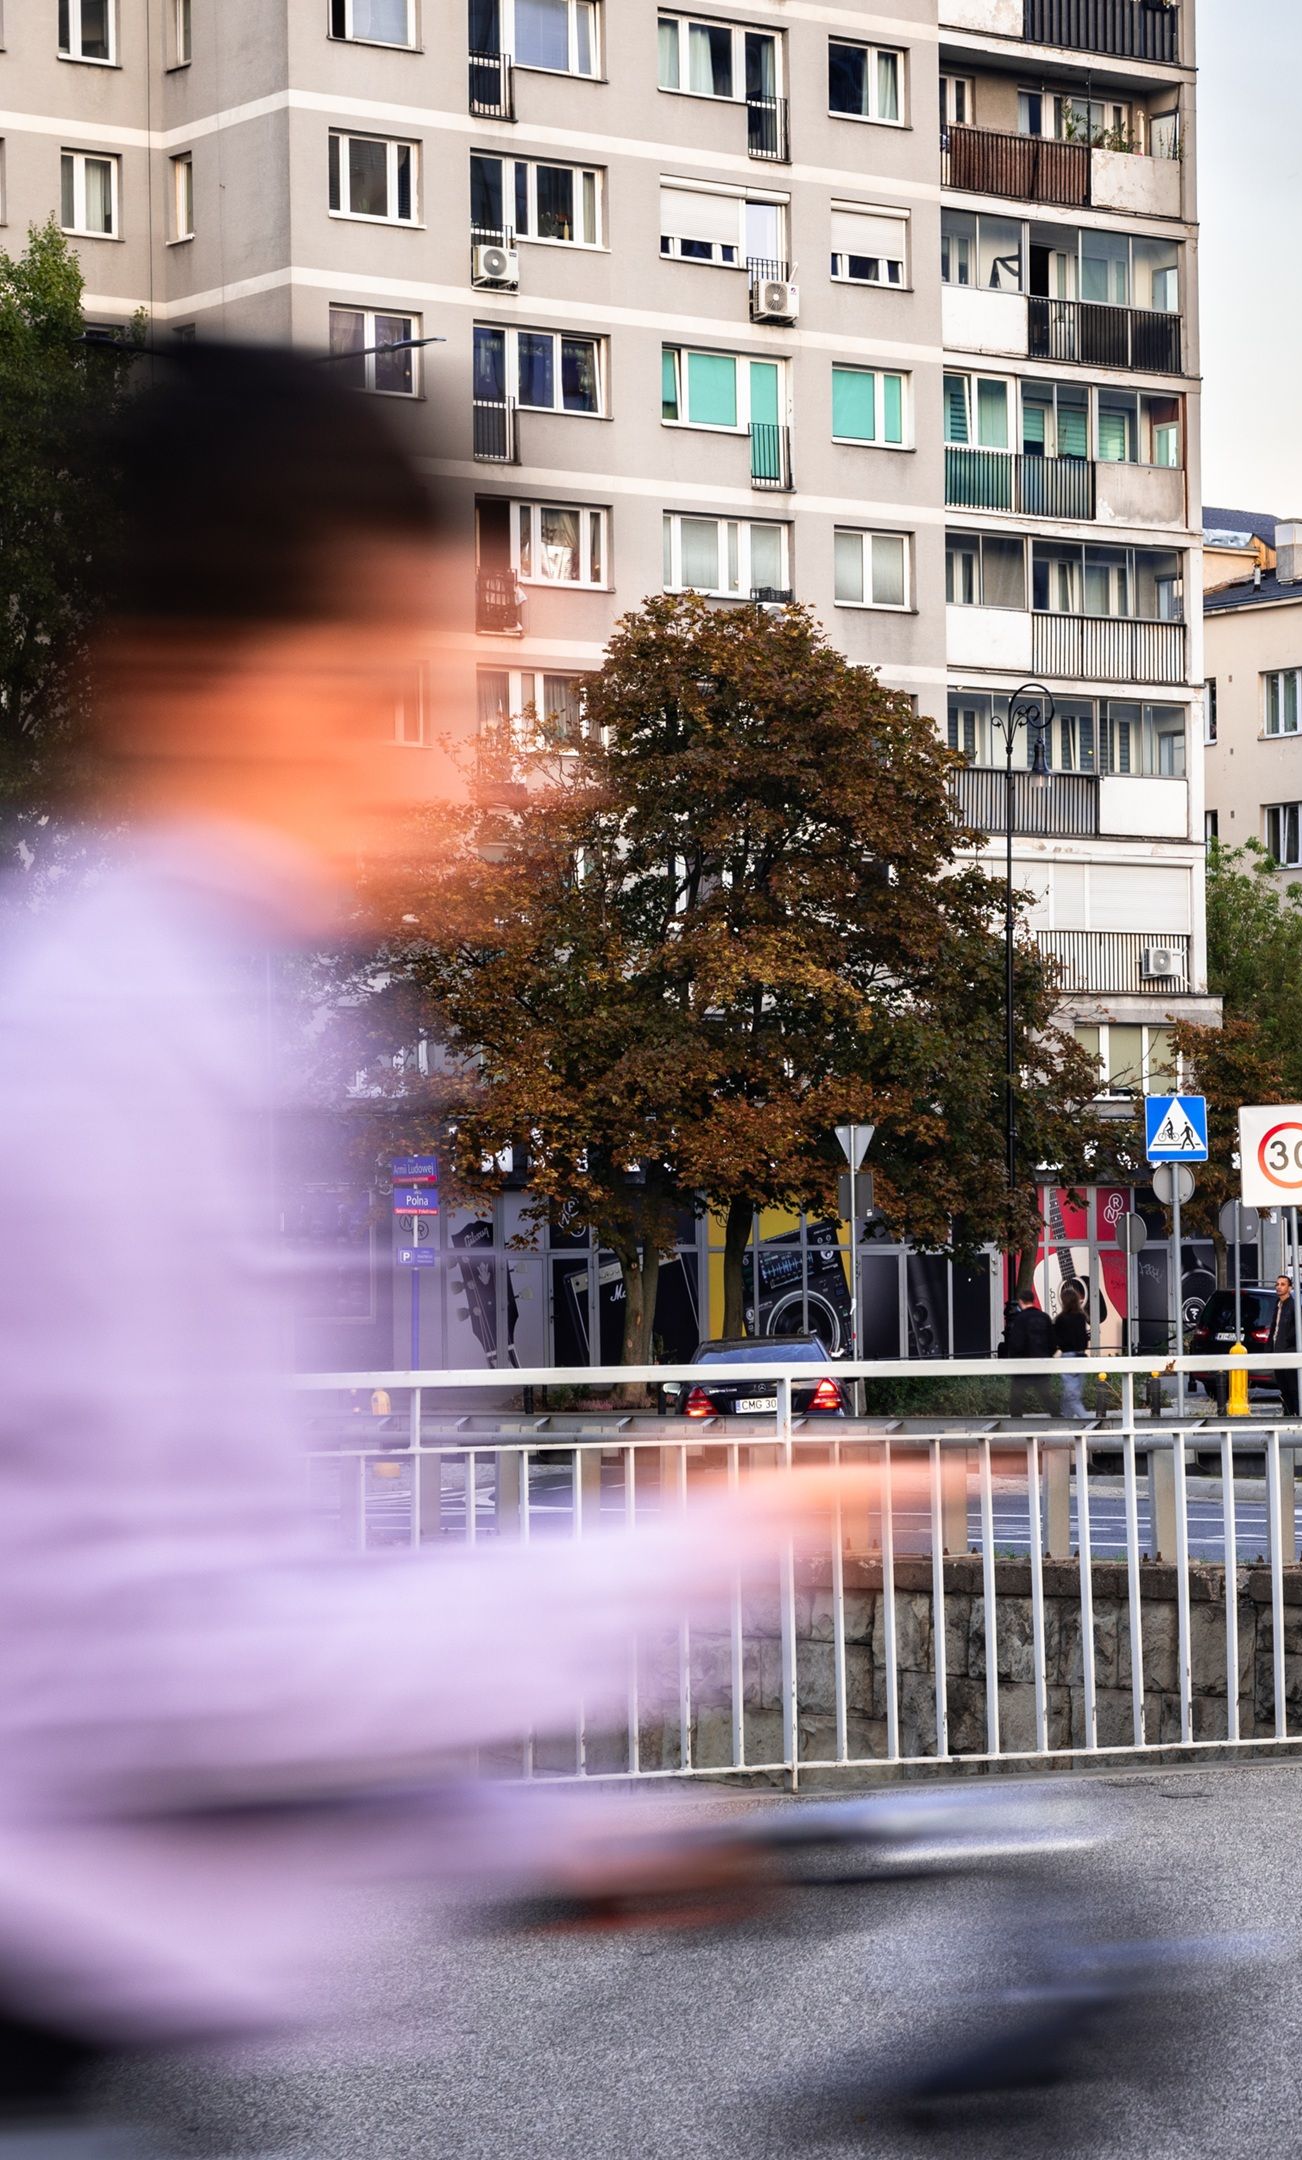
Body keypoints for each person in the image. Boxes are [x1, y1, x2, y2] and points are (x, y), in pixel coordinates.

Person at [0, 344, 853, 2127]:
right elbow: (183, 1677)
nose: (474, 772)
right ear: (191, 690)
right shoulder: (113, 1047)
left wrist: (550, 1829)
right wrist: (709, 1547)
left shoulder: (204, 1011)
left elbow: (157, 1668)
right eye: (392, 692)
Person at [1000, 1282, 1053, 1414]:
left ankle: (1016, 1422)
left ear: (1020, 1301)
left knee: (1016, 1396)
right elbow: (1052, 1340)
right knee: (1046, 1395)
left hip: (1023, 1364)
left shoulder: (1019, 1319)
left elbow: (1016, 1342)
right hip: (1042, 1362)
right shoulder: (1044, 1317)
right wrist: (1048, 1355)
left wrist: (1013, 1360)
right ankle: (1058, 1419)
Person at [1051, 1272, 1098, 1421]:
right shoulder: (1081, 1317)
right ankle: (1065, 1420)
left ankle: (1087, 1421)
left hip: (1068, 1356)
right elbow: (1084, 1339)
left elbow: (1057, 1340)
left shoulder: (1060, 1319)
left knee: (1071, 1395)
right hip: (1081, 1356)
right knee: (1072, 1392)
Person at [1263, 1273, 1302, 1420]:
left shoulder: (1293, 1306)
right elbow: (1274, 1328)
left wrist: (1288, 1344)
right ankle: (1288, 1416)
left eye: (1283, 1284)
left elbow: (1301, 1330)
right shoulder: (1278, 1305)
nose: (1279, 1287)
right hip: (1278, 1352)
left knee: (1293, 1387)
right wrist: (1269, 1349)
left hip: (1288, 1353)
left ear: (1290, 1288)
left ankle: (1298, 1417)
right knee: (1283, 1387)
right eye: (1277, 1284)